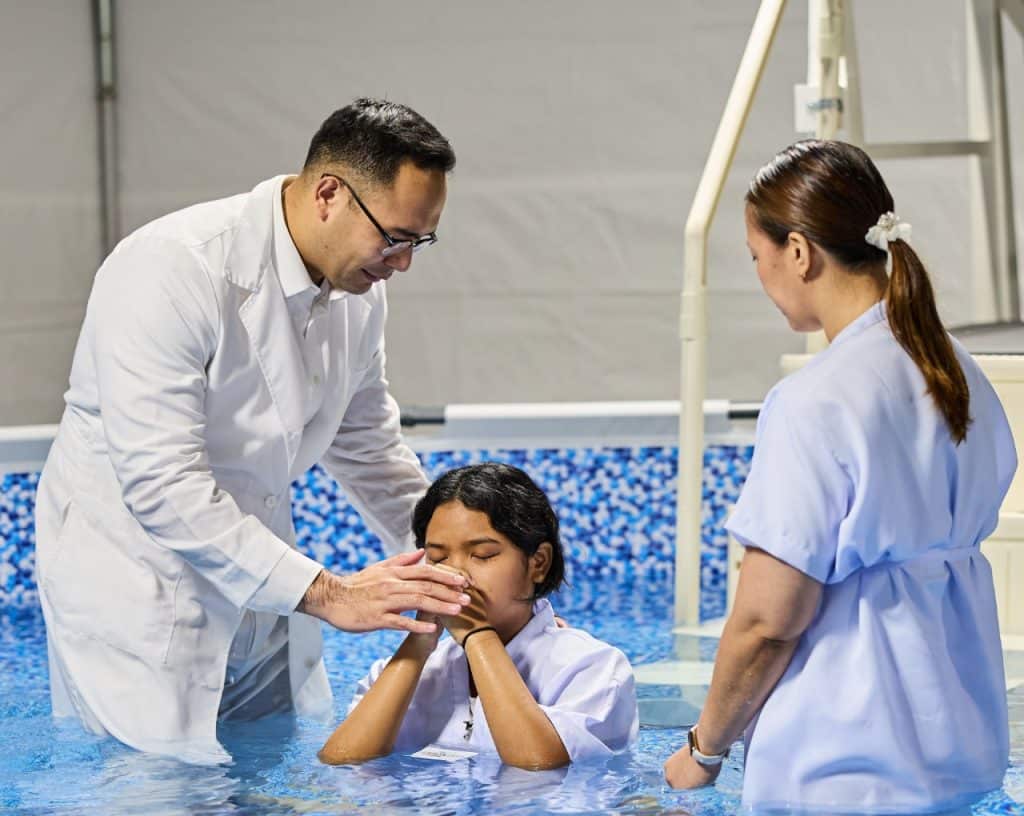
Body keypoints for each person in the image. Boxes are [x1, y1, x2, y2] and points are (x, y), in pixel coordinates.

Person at [34, 98, 474, 763]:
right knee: (157, 787)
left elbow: (369, 447)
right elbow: (161, 483)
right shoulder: (169, 268)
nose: (404, 262)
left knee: (271, 765)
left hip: (263, 562)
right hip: (136, 575)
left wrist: (453, 557)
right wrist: (331, 594)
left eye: (421, 240)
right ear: (329, 193)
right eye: (396, 236)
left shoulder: (360, 292)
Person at [664, 140, 1017, 813]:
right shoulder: (958, 372)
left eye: (757, 257)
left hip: (843, 764)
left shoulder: (815, 400)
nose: (763, 276)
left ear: (798, 251)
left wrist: (703, 751)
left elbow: (769, 618)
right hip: (954, 756)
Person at [319, 463, 638, 769]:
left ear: (538, 563)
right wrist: (418, 646)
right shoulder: (410, 670)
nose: (455, 573)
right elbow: (342, 763)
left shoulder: (592, 669)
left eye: (483, 555)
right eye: (438, 557)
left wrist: (477, 636)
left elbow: (538, 766)